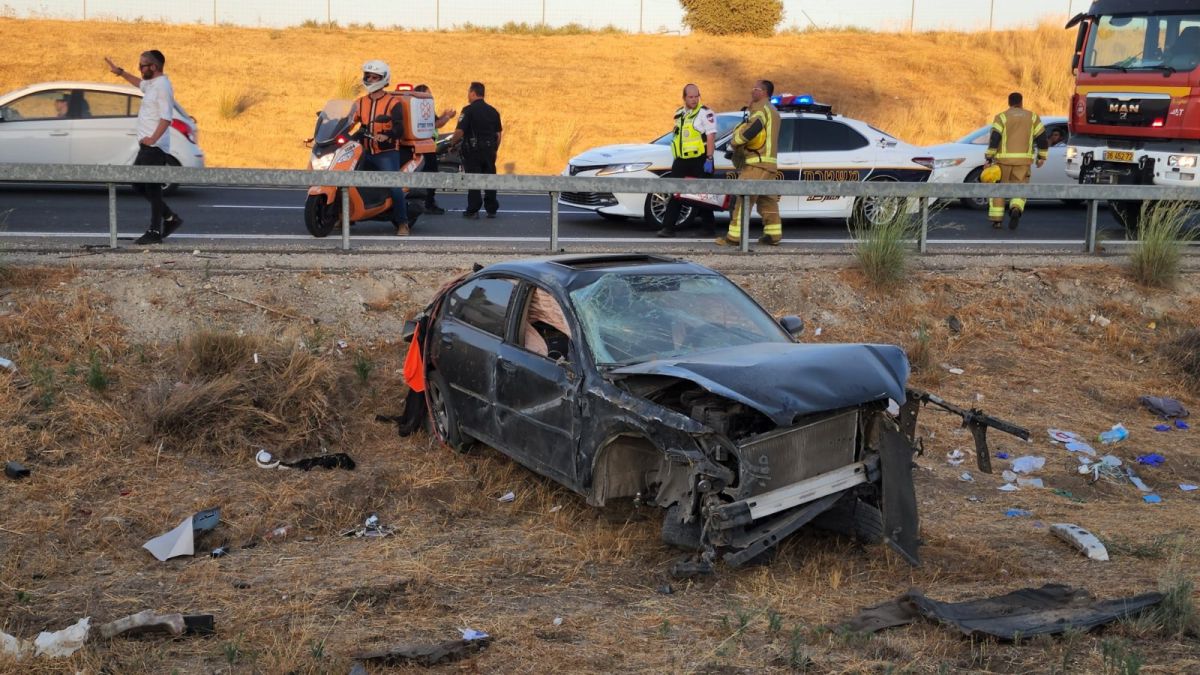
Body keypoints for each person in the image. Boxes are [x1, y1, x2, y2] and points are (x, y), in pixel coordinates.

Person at [105, 50, 184, 245]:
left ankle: (155, 230)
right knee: (139, 185)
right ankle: (171, 218)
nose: (139, 69)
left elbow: (167, 117)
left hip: (154, 147)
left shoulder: (163, 87)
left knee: (152, 187)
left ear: (154, 67)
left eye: (142, 66)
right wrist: (120, 72)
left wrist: (153, 139)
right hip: (147, 146)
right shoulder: (152, 84)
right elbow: (139, 84)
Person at [348, 60, 414, 235]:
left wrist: (387, 135)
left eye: (374, 76)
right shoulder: (360, 102)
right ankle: (344, 216)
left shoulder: (393, 102)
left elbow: (399, 127)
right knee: (346, 181)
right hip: (363, 151)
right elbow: (349, 122)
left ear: (383, 78)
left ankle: (402, 223)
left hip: (386, 152)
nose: (369, 79)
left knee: (394, 185)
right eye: (367, 76)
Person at [719, 79, 781, 246]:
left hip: (756, 163)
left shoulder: (762, 109)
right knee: (767, 200)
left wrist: (735, 141)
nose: (752, 92)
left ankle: (733, 238)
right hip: (768, 164)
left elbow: (752, 130)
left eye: (755, 89)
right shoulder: (772, 110)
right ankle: (773, 235)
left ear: (763, 92)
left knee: (743, 199)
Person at [656, 83, 718, 238]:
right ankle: (668, 228)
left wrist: (709, 158)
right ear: (684, 98)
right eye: (691, 97)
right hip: (682, 160)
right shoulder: (679, 114)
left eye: (697, 96)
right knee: (676, 193)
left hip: (700, 159)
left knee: (703, 195)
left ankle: (708, 228)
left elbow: (711, 136)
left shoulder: (705, 113)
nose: (694, 99)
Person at [984, 91, 1048, 230]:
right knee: (1020, 187)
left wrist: (989, 157)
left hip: (1003, 162)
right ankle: (1016, 208)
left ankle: (997, 220)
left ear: (1009, 103)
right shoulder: (1033, 117)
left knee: (998, 189)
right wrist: (1042, 157)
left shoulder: (1001, 117)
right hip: (1023, 162)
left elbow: (995, 138)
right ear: (1021, 102)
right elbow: (1042, 138)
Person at [449, 81, 502, 219]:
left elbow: (460, 131)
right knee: (490, 179)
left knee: (473, 180)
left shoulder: (468, 110)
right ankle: (491, 209)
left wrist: (451, 144)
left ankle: (473, 210)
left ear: (473, 93)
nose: (468, 95)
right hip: (490, 150)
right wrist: (495, 149)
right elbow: (498, 134)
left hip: (473, 151)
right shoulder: (493, 111)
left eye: (469, 92)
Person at [413, 84, 457, 215]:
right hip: (426, 145)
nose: (431, 96)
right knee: (431, 173)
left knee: (424, 174)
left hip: (421, 145)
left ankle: (424, 201)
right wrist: (448, 116)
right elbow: (437, 124)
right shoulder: (424, 108)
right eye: (428, 93)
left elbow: (436, 121)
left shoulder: (416, 108)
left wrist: (443, 115)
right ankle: (428, 203)